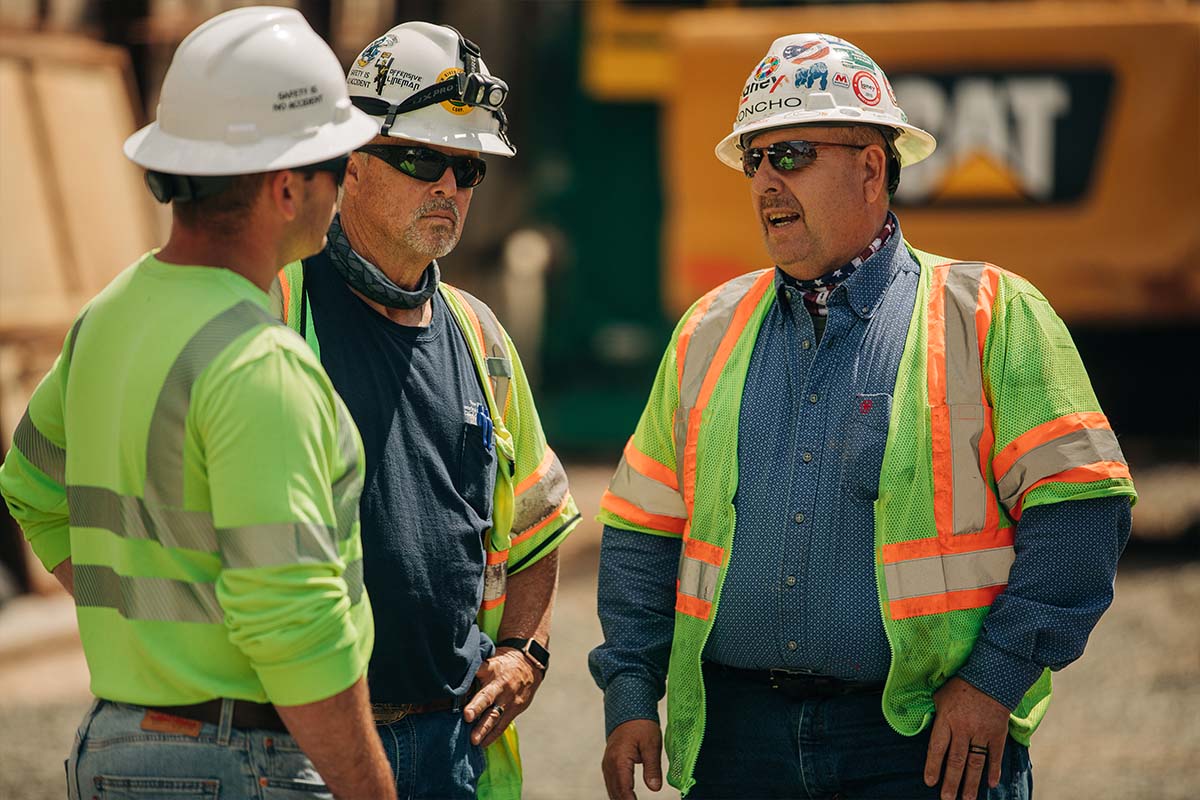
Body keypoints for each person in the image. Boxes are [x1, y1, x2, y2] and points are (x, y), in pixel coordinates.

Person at [590, 33, 1136, 800]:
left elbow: (1082, 510)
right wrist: (628, 691)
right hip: (739, 746)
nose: (767, 184)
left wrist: (994, 681)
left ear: (872, 166)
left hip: (921, 748)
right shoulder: (707, 329)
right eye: (756, 160)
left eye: (793, 155)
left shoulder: (989, 313)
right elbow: (642, 527)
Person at [0, 8, 395, 799]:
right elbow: (295, 625)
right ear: (287, 187)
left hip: (115, 747)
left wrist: (152, 645)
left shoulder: (106, 320)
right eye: (336, 164)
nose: (346, 182)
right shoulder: (261, 363)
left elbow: (30, 489)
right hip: (238, 762)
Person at [270, 22, 579, 800]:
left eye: (466, 167)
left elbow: (540, 522)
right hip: (301, 748)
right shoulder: (275, 309)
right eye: (419, 158)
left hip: (450, 748)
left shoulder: (481, 337)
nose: (447, 186)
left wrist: (525, 653)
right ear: (349, 160)